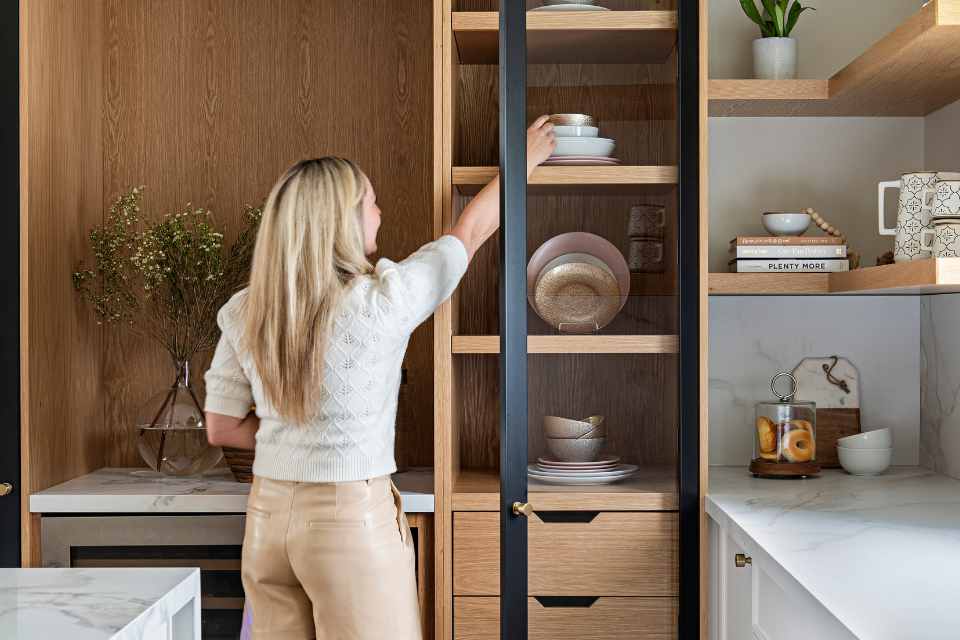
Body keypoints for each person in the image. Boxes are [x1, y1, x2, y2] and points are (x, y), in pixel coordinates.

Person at [204, 116, 555, 639]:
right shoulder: (383, 300)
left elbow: (221, 427)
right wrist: (521, 162)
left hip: (267, 522)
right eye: (371, 201)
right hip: (348, 523)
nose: (379, 212)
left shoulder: (245, 309)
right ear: (343, 220)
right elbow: (469, 233)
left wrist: (296, 436)